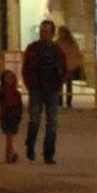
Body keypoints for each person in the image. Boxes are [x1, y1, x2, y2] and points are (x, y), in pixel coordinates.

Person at [21, 19, 66, 165]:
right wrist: (30, 85)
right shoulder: (33, 48)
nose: (43, 34)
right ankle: (30, 145)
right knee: (35, 120)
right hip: (37, 89)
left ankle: (48, 153)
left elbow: (63, 68)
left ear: (52, 34)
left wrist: (59, 84)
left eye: (46, 31)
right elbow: (26, 68)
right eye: (41, 31)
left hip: (52, 90)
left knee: (52, 123)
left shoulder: (57, 50)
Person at [0, 69, 24, 165]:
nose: (9, 80)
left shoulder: (17, 94)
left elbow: (20, 107)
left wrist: (19, 116)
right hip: (5, 116)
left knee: (10, 136)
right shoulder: (2, 93)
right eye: (7, 78)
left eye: (11, 78)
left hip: (14, 116)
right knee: (9, 136)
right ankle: (9, 153)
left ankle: (10, 153)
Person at [56, 24, 84, 107]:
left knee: (67, 84)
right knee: (61, 84)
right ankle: (60, 100)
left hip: (68, 66)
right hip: (62, 66)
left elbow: (76, 54)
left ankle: (67, 101)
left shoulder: (70, 43)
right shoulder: (59, 43)